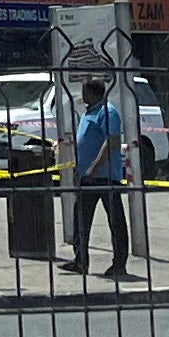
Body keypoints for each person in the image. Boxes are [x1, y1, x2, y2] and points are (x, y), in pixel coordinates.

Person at [63, 79, 134, 278]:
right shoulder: (89, 111)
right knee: (81, 219)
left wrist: (94, 167)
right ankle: (80, 261)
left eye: (85, 91)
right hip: (87, 176)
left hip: (104, 176)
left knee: (115, 221)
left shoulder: (107, 111)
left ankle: (119, 264)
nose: (82, 95)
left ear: (94, 92)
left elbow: (111, 141)